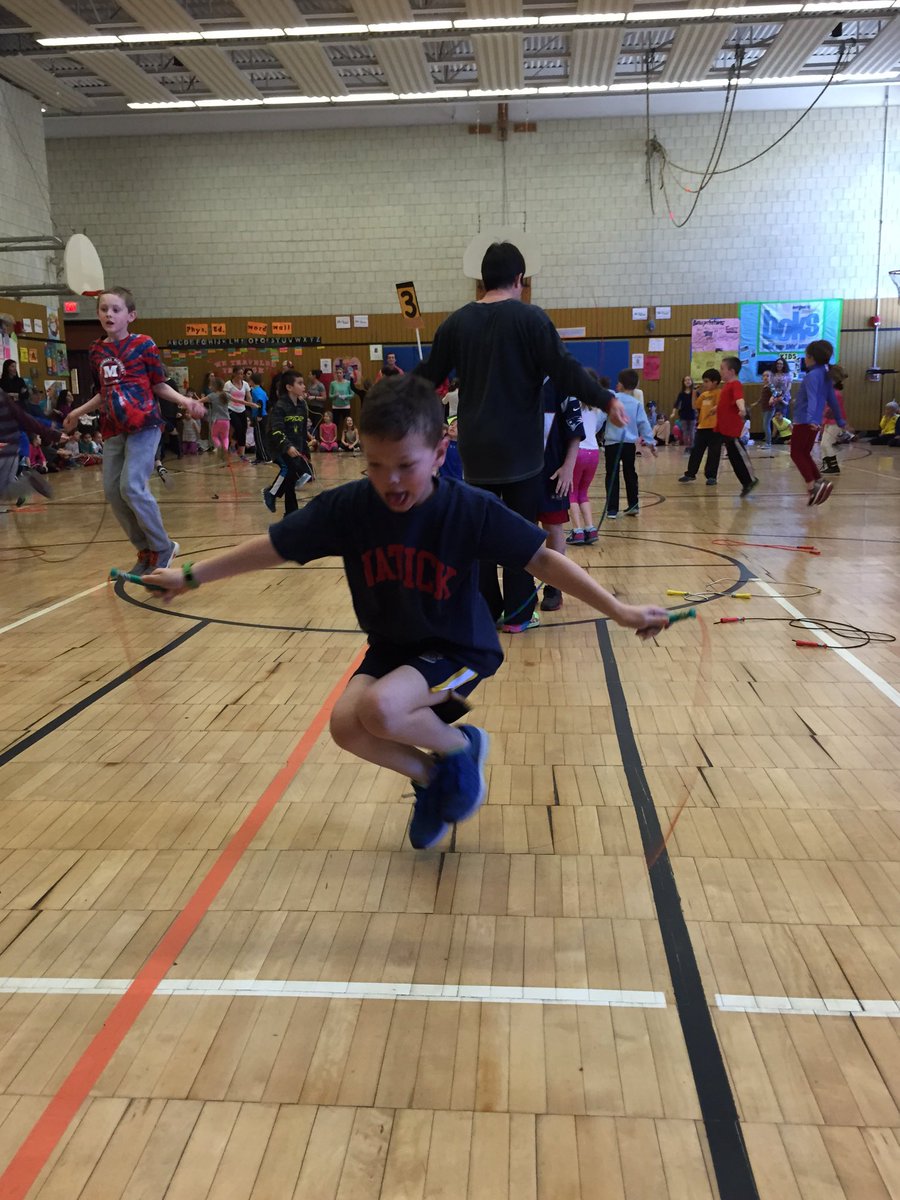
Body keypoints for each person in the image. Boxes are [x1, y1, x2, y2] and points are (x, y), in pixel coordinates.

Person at [145, 374, 670, 850]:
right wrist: (189, 577)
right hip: (395, 647)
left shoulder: (468, 509)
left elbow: (543, 560)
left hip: (462, 647)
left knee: (382, 708)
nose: (390, 481)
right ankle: (431, 779)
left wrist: (619, 610)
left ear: (441, 454)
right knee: (347, 726)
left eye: (405, 466)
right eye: (375, 465)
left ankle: (461, 747)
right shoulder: (349, 508)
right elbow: (274, 547)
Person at [414, 241, 621, 634]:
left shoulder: (456, 323)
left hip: (476, 452)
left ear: (480, 282)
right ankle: (521, 615)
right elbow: (565, 371)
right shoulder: (531, 319)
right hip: (522, 455)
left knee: (482, 532)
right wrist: (605, 399)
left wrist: (390, 407)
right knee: (520, 533)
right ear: (519, 280)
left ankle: (488, 611)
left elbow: (428, 375)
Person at [62, 287, 205, 573]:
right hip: (114, 428)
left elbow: (158, 384)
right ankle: (146, 552)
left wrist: (185, 400)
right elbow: (104, 393)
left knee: (132, 487)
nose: (109, 314)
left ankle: (163, 547)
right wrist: (76, 413)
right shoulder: (96, 350)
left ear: (131, 315)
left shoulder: (144, 345)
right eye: (104, 309)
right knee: (113, 492)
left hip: (145, 425)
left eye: (116, 309)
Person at [536, 383, 584, 615]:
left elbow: (575, 429)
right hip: (518, 473)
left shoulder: (559, 383)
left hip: (552, 471)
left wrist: (568, 466)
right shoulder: (514, 375)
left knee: (553, 527)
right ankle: (523, 588)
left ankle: (554, 588)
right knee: (522, 528)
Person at [791, 339, 846, 505]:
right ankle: (820, 482)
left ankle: (812, 486)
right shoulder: (825, 374)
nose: (804, 359)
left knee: (796, 453)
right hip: (813, 421)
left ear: (811, 357)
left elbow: (814, 399)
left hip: (805, 421)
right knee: (804, 453)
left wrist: (812, 419)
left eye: (806, 356)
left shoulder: (812, 376)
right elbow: (832, 401)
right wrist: (840, 419)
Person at [603, 369, 655, 518]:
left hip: (612, 443)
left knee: (612, 475)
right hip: (628, 445)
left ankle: (612, 509)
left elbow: (600, 418)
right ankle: (633, 505)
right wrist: (651, 443)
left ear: (620, 383)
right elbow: (643, 424)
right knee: (630, 473)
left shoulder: (611, 399)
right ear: (636, 384)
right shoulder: (636, 403)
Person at [264, 370, 313, 514]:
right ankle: (271, 493)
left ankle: (291, 513)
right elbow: (276, 430)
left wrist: (306, 451)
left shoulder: (302, 406)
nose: (304, 386)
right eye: (300, 383)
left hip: (295, 445)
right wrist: (287, 446)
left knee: (293, 478)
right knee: (289, 469)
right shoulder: (280, 407)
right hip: (277, 445)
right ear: (289, 387)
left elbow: (303, 431)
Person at [566, 389, 605, 546]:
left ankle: (577, 531)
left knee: (571, 492)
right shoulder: (595, 408)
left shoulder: (572, 403)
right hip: (594, 452)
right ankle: (590, 528)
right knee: (583, 493)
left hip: (578, 451)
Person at [715, 356, 758, 496]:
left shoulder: (735, 384)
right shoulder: (726, 386)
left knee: (738, 455)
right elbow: (727, 403)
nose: (720, 371)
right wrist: (716, 408)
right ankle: (746, 482)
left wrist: (742, 409)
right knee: (734, 457)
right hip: (724, 428)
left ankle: (750, 480)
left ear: (731, 371)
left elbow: (739, 398)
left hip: (732, 428)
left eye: (722, 368)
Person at [679, 370, 721, 484]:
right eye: (704, 381)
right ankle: (691, 473)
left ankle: (711, 476)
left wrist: (716, 407)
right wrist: (694, 392)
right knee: (696, 451)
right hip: (702, 427)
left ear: (715, 382)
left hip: (715, 428)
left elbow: (721, 405)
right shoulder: (703, 395)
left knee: (713, 453)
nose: (704, 384)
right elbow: (694, 406)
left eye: (707, 381)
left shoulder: (719, 393)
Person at [224, 366, 258, 462]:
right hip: (231, 409)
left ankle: (242, 454)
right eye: (238, 373)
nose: (241, 376)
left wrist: (252, 407)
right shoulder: (228, 384)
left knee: (243, 429)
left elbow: (249, 397)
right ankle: (232, 445)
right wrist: (249, 403)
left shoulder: (246, 384)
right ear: (234, 373)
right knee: (238, 427)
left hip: (242, 409)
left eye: (242, 374)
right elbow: (229, 399)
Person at [820, 367, 849, 474]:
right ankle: (827, 465)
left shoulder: (835, 394)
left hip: (834, 422)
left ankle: (834, 466)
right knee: (823, 444)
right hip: (829, 421)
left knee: (826, 444)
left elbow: (832, 410)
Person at [249, 372, 271, 464]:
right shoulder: (262, 390)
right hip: (264, 416)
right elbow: (268, 403)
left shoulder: (255, 391)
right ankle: (259, 457)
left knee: (260, 438)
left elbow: (260, 403)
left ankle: (266, 457)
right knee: (258, 437)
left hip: (259, 417)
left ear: (252, 381)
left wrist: (259, 415)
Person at [675, 375, 695, 450]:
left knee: (692, 431)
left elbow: (699, 402)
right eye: (686, 380)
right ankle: (687, 447)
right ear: (683, 382)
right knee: (685, 432)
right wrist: (673, 412)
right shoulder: (681, 394)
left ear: (691, 381)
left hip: (692, 414)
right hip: (683, 415)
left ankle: (692, 447)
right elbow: (677, 403)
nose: (687, 381)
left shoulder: (694, 392)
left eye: (689, 380)